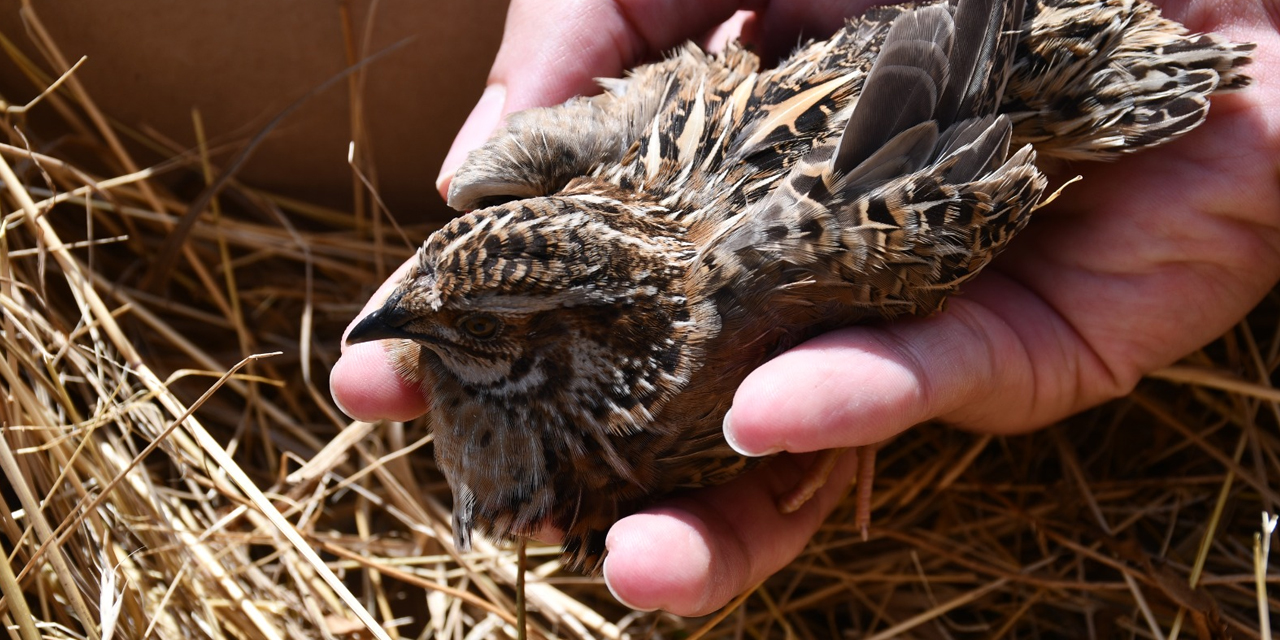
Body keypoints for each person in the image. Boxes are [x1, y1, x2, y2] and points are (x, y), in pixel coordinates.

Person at [331, 0, 1280, 616]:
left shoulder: (676, 384)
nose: (409, 333)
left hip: (965, 110)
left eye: (485, 329)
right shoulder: (585, 234)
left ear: (563, 344)